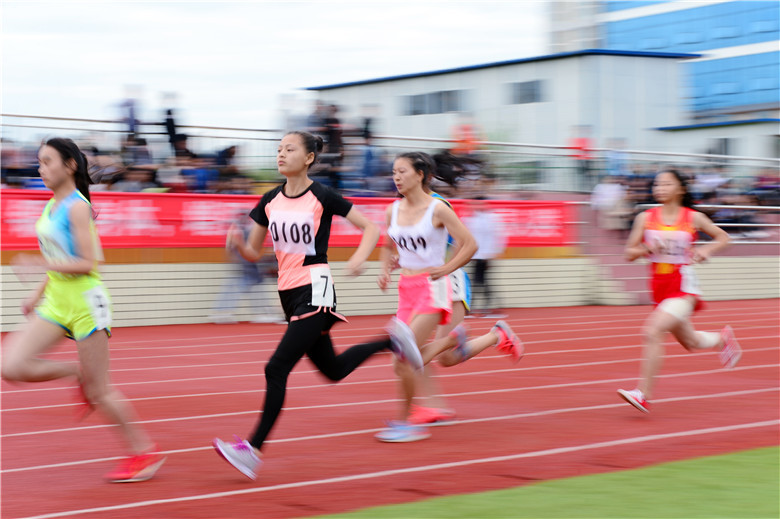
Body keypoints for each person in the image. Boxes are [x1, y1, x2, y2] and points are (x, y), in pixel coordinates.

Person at [212, 131, 420, 479]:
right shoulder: (268, 201)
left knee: (275, 368)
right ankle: (393, 341)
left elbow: (370, 227)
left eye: (289, 149)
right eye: (278, 149)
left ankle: (251, 450)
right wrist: (236, 244)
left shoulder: (322, 195)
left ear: (308, 157)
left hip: (315, 286)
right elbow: (254, 252)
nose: (281, 154)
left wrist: (358, 258)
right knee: (333, 370)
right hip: (287, 291)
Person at [1, 138, 165, 482]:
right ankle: (75, 372)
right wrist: (38, 290)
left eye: (47, 162)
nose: (40, 168)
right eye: (39, 162)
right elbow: (60, 259)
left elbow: (89, 263)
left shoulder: (77, 207)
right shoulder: (51, 206)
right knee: (10, 365)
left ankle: (143, 454)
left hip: (86, 305)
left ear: (69, 165)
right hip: (56, 302)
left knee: (100, 391)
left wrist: (39, 263)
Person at [375, 152, 524, 442]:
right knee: (425, 357)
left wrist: (445, 269)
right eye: (394, 172)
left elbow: (462, 245)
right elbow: (397, 245)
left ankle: (420, 411)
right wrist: (393, 263)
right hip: (414, 286)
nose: (396, 177)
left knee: (429, 356)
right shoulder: (397, 209)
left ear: (421, 175)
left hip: (447, 285)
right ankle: (433, 405)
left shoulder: (440, 207)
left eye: (402, 171)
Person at [617, 168, 742, 413]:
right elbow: (629, 253)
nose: (659, 188)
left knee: (652, 331)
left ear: (680, 189)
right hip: (660, 288)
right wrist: (647, 248)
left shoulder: (692, 217)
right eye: (657, 184)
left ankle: (644, 394)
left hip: (683, 288)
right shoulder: (645, 217)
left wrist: (706, 250)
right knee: (690, 342)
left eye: (666, 184)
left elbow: (723, 237)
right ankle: (722, 339)